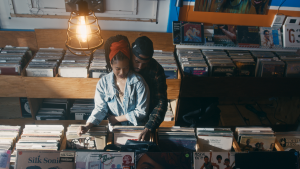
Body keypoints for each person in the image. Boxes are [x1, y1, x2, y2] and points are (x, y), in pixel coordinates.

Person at [77, 35, 150, 135]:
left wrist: (116, 119)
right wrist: (87, 125)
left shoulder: (139, 82)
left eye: (126, 67)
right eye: (118, 69)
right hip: (114, 132)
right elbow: (100, 109)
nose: (122, 72)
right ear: (111, 64)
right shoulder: (103, 83)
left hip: (136, 131)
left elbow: (141, 112)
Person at [131, 36, 168, 141]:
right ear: (131, 54)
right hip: (122, 119)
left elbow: (160, 101)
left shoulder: (156, 69)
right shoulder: (123, 66)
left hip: (147, 119)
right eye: (137, 61)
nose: (140, 66)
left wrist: (150, 127)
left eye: (145, 63)